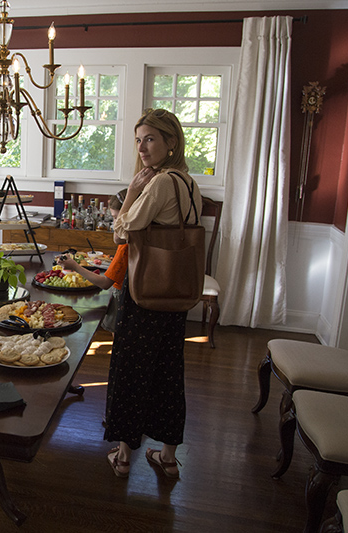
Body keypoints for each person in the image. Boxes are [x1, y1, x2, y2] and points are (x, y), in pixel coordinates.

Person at [104, 108, 202, 479]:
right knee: (167, 370)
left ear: (171, 142)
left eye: (150, 139)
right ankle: (168, 456)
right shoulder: (189, 182)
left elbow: (121, 231)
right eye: (138, 139)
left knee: (132, 369)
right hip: (175, 293)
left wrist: (131, 192)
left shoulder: (160, 183)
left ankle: (124, 456)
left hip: (146, 292)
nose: (142, 147)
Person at [56, 189, 128, 333]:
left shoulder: (125, 247)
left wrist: (74, 266)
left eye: (116, 218)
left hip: (124, 301)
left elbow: (105, 283)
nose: (114, 224)